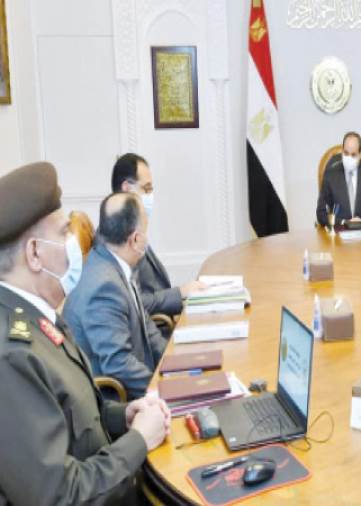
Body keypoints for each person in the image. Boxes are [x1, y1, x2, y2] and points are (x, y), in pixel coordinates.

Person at [0, 162, 170, 504]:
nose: (76, 243)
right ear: (34, 253)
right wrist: (139, 441)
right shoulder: (11, 355)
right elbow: (60, 495)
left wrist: (123, 416)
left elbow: (74, 418)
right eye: (64, 232)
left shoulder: (38, 316)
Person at [63, 192, 168, 399]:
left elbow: (148, 329)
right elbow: (119, 365)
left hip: (139, 379)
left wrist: (177, 363)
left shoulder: (112, 261)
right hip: (118, 402)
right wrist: (164, 391)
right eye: (145, 232)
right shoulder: (104, 287)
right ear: (135, 240)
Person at [111, 153, 206, 320]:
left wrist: (184, 293)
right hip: (156, 327)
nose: (150, 196)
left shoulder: (134, 227)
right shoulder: (116, 238)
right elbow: (135, 302)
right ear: (127, 188)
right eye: (146, 189)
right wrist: (180, 293)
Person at [316, 132, 361, 227]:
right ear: (342, 151)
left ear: (360, 154)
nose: (349, 158)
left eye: (353, 154)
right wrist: (344, 222)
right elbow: (321, 213)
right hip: (340, 230)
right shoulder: (330, 175)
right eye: (346, 153)